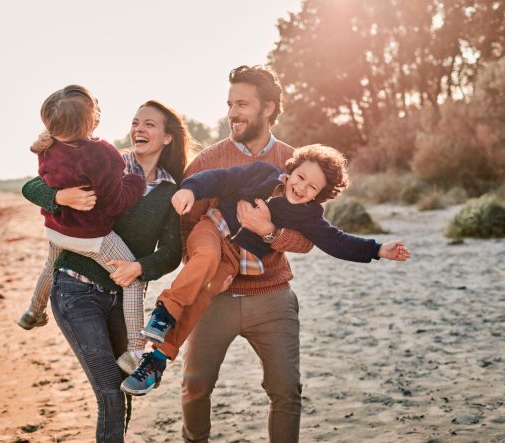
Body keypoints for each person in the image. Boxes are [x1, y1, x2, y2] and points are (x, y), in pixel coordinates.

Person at [120, 145, 410, 396]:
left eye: (313, 188)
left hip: (235, 259)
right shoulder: (261, 172)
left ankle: (157, 360)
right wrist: (190, 188)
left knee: (202, 297)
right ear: (291, 170)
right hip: (213, 229)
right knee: (206, 257)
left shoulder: (308, 216)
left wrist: (377, 249)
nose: (302, 188)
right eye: (300, 177)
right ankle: (164, 312)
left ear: (320, 195)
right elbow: (220, 178)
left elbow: (336, 241)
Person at [21, 100, 189, 442]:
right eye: (135, 122)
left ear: (168, 137)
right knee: (109, 391)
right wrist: (61, 197)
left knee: (122, 393)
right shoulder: (104, 160)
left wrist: (139, 267)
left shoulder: (172, 190)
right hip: (76, 291)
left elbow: (172, 253)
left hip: (122, 300)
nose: (138, 129)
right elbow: (31, 186)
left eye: (150, 124)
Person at [172, 64, 308, 443]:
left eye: (242, 104)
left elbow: (308, 238)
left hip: (273, 297)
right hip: (214, 299)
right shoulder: (207, 162)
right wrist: (205, 268)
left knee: (286, 391)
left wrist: (272, 231)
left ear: (268, 108)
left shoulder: (295, 163)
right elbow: (186, 227)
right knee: (194, 389)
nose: (233, 112)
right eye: (230, 103)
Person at [17, 85, 152, 371]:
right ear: (92, 120)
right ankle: (136, 352)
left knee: (50, 265)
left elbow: (41, 181)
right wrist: (135, 181)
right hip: (91, 238)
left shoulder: (47, 145)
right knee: (131, 278)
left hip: (56, 230)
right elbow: (115, 204)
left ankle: (34, 311)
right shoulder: (103, 154)